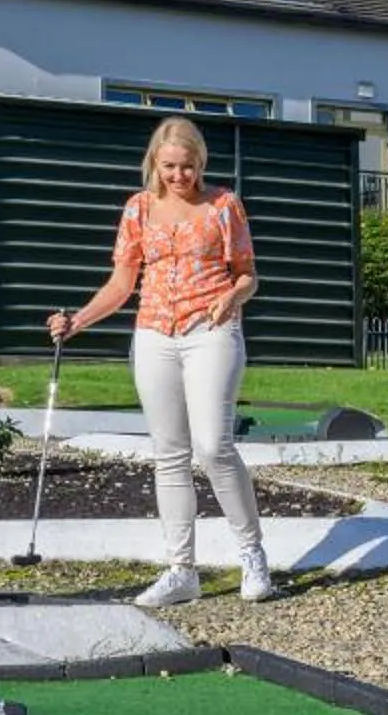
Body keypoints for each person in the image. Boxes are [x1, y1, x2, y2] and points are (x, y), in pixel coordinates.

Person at [47, 115, 272, 607]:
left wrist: (233, 296)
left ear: (200, 163)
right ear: (155, 163)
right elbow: (121, 283)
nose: (178, 175)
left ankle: (252, 555)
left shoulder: (223, 205)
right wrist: (77, 320)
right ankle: (181, 571)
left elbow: (248, 274)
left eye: (187, 166)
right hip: (153, 333)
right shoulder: (139, 209)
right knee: (168, 454)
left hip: (210, 329)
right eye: (169, 166)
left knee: (213, 447)